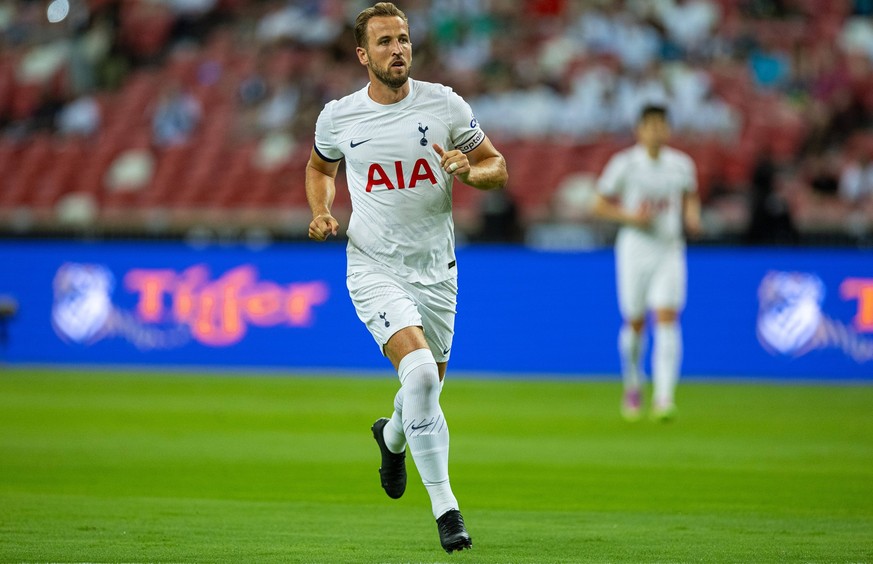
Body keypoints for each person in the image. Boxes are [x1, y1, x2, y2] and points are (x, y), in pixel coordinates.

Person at [304, 2, 508, 553]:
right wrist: (322, 209)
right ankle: (448, 511)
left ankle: (391, 436)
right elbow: (321, 166)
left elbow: (497, 167)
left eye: (403, 39)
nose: (398, 49)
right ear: (362, 54)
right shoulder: (339, 116)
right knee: (419, 378)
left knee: (425, 390)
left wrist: (471, 170)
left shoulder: (444, 104)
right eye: (386, 41)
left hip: (436, 271)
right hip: (372, 265)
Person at [591, 104, 701, 422]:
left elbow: (690, 194)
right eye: (650, 125)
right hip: (635, 250)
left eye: (661, 125)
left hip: (669, 249)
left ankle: (664, 398)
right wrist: (629, 216)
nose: (656, 130)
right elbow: (598, 204)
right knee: (635, 323)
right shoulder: (625, 164)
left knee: (667, 318)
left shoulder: (681, 165)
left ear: (668, 129)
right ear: (639, 129)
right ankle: (634, 382)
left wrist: (692, 215)